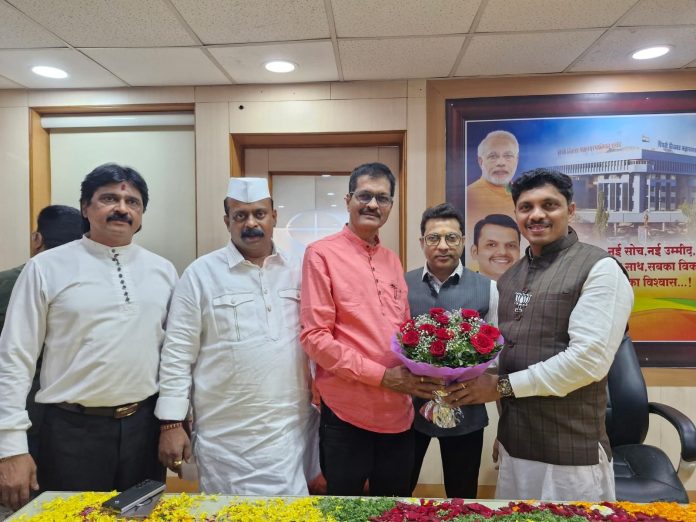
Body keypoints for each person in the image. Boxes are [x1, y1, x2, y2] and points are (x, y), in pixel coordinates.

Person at [0, 163, 177, 510]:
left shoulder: (163, 270)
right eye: (109, 198)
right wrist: (10, 446)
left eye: (133, 202)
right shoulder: (45, 268)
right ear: (85, 207)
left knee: (142, 516)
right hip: (70, 432)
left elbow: (174, 354)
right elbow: (14, 358)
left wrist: (173, 422)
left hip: (143, 429)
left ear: (141, 214)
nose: (122, 208)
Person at [449, 168, 634, 502]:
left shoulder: (600, 269)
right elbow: (509, 356)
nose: (536, 214)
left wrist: (500, 387)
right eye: (526, 207)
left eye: (549, 205)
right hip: (515, 448)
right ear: (517, 214)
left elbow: (587, 362)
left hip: (570, 455)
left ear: (571, 210)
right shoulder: (510, 277)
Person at [156, 177, 318, 495]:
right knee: (227, 511)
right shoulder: (200, 274)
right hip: (226, 434)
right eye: (240, 215)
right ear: (227, 221)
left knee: (291, 510)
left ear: (274, 217)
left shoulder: (300, 270)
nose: (251, 223)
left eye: (259, 214)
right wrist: (171, 423)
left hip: (291, 428)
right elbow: (177, 353)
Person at [300, 162, 442, 497]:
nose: (373, 204)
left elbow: (404, 333)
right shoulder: (321, 254)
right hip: (347, 412)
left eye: (383, 198)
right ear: (348, 200)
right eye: (364, 195)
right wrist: (382, 376)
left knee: (393, 506)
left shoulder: (391, 260)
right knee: (345, 509)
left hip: (398, 412)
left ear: (391, 205)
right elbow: (315, 338)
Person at [405, 203, 499, 499]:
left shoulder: (488, 288)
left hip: (466, 408)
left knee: (462, 495)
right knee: (398, 488)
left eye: (452, 237)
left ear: (463, 241)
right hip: (409, 409)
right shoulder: (401, 285)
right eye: (434, 238)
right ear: (422, 242)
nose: (443, 246)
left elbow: (497, 357)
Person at [0, 205, 83, 464]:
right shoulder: (91, 284)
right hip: (75, 415)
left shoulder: (6, 282)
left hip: (16, 407)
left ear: (37, 239)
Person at [466, 131, 519, 249]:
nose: (501, 163)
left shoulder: (524, 197)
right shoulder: (467, 196)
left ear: (516, 160)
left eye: (508, 156)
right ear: (481, 161)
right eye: (493, 156)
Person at [470, 214, 521, 281]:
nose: (503, 252)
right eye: (492, 245)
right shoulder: (463, 287)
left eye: (510, 245)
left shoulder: (531, 286)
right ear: (475, 252)